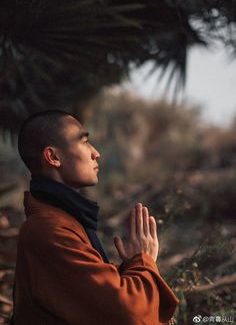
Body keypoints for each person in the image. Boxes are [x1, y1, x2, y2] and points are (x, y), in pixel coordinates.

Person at [12, 110, 179, 325]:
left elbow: (85, 297)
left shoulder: (63, 220)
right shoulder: (49, 230)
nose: (96, 153)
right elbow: (127, 314)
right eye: (84, 142)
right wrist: (143, 262)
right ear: (53, 157)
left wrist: (129, 269)